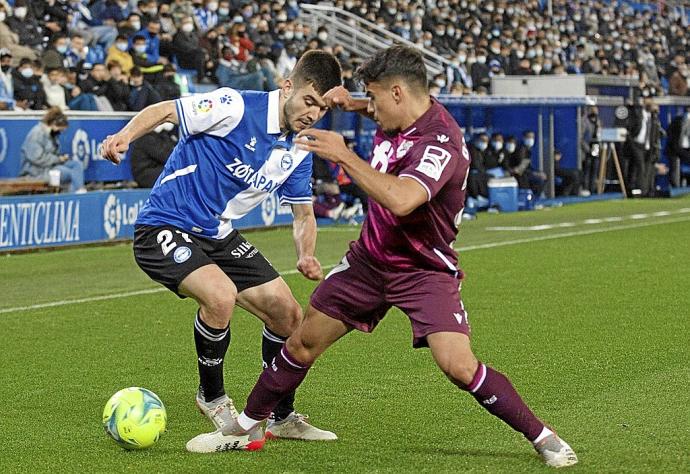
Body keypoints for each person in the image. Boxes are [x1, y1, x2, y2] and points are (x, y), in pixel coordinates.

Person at [191, 45, 578, 468]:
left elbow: (403, 199)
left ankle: (544, 436)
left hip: (423, 270)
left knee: (458, 365)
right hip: (369, 262)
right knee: (301, 343)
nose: (369, 110)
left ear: (397, 93)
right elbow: (371, 111)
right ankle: (246, 429)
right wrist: (350, 101)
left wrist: (343, 154)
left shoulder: (439, 143)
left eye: (373, 99)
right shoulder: (399, 110)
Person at [101, 50, 343, 450]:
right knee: (220, 296)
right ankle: (211, 397)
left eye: (322, 108)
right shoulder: (234, 105)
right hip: (165, 223)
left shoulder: (301, 148)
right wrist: (125, 135)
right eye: (308, 101)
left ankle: (281, 416)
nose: (313, 114)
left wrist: (306, 254)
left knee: (289, 314)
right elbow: (165, 110)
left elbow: (303, 216)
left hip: (218, 234)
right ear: (287, 86)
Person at [20, 107, 86, 193]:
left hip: (50, 166)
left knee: (77, 165)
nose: (60, 132)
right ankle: (74, 195)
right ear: (53, 124)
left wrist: (61, 158)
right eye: (60, 129)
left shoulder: (52, 135)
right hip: (35, 172)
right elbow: (37, 158)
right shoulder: (36, 134)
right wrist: (58, 159)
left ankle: (80, 191)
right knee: (68, 173)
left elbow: (53, 153)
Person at [129, 122, 177, 188]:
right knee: (174, 172)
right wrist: (164, 133)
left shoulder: (158, 136)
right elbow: (167, 156)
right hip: (144, 174)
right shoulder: (147, 138)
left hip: (155, 170)